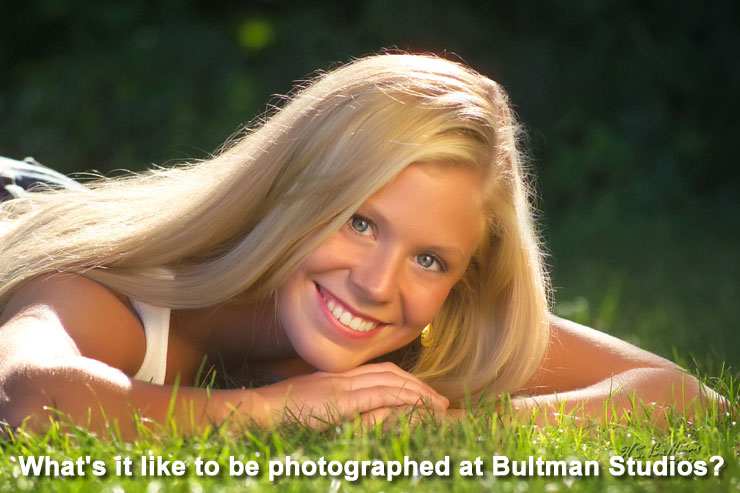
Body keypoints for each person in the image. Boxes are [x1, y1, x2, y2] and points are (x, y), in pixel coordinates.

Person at [0, 54, 721, 437]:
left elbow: (687, 398)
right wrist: (282, 407)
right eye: (360, 221)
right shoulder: (112, 281)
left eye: (430, 259)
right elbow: (30, 397)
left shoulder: (437, 327)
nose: (379, 283)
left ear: (463, 281)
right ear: (289, 191)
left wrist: (451, 424)